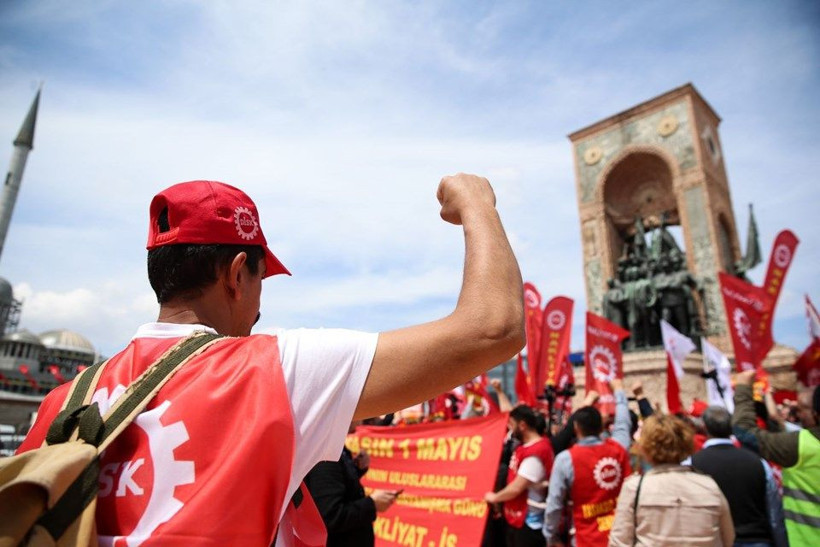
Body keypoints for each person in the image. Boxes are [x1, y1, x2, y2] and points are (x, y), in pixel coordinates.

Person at [17, 174, 525, 545]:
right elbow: (493, 329)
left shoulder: (63, 402)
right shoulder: (272, 371)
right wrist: (477, 204)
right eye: (262, 279)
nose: (261, 306)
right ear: (237, 274)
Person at [609, 414, 735, 546]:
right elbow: (728, 538)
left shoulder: (634, 488)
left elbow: (619, 542)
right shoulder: (709, 486)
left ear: (645, 447)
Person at [732, 370, 820, 545]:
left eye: (801, 410)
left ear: (816, 414)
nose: (800, 415)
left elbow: (744, 430)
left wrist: (742, 386)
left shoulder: (801, 446)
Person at [543, 380, 632, 547]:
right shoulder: (619, 448)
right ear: (601, 427)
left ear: (576, 427)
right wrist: (619, 391)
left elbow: (554, 503)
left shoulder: (566, 459)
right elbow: (623, 423)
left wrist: (551, 535)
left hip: (586, 539)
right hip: (622, 536)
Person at [691, 406, 787, 547]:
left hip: (716, 540)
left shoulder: (692, 464)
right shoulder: (759, 463)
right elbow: (774, 514)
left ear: (704, 427)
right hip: (757, 540)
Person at [304, 422, 397, 546]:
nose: (361, 420)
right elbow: (331, 515)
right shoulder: (327, 455)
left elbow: (336, 485)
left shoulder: (333, 448)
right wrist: (372, 504)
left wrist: (356, 468)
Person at [485, 405, 554, 547]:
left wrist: (495, 498)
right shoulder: (525, 446)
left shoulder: (536, 452)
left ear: (522, 425)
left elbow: (517, 488)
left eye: (511, 425)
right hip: (516, 519)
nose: (509, 429)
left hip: (528, 524)